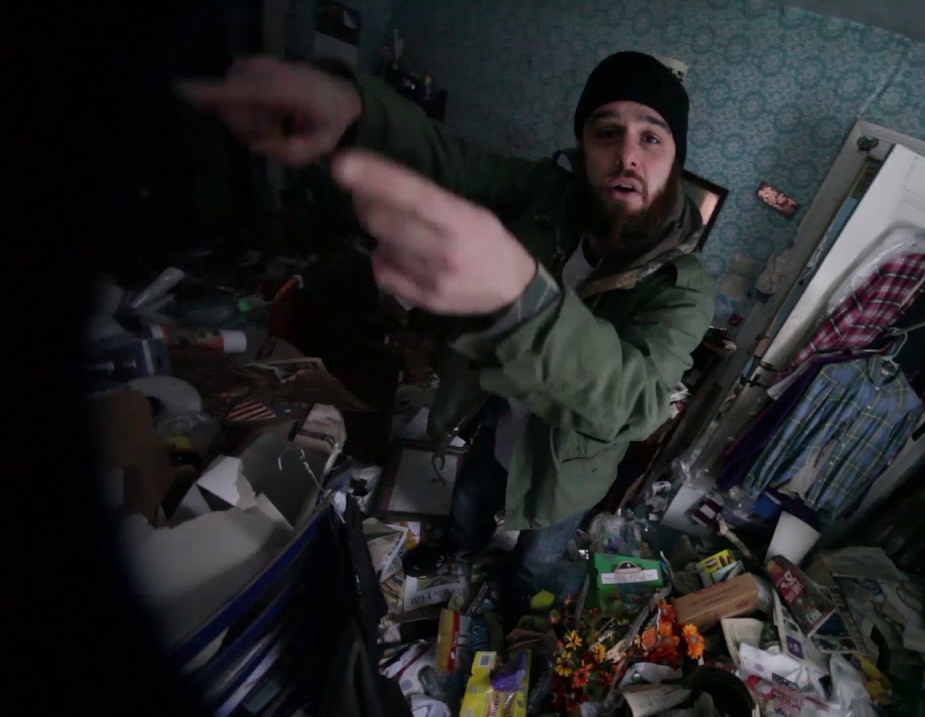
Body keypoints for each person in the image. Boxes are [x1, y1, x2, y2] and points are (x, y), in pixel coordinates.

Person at [182, 51, 716, 611]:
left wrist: (525, 299)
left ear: (675, 158)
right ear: (583, 146)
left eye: (651, 138)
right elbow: (453, 161)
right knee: (467, 507)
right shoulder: (549, 193)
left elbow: (638, 401)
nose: (627, 155)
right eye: (607, 133)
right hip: (494, 419)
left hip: (570, 467)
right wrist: (357, 109)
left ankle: (520, 593)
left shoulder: (684, 285)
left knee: (536, 558)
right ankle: (460, 546)